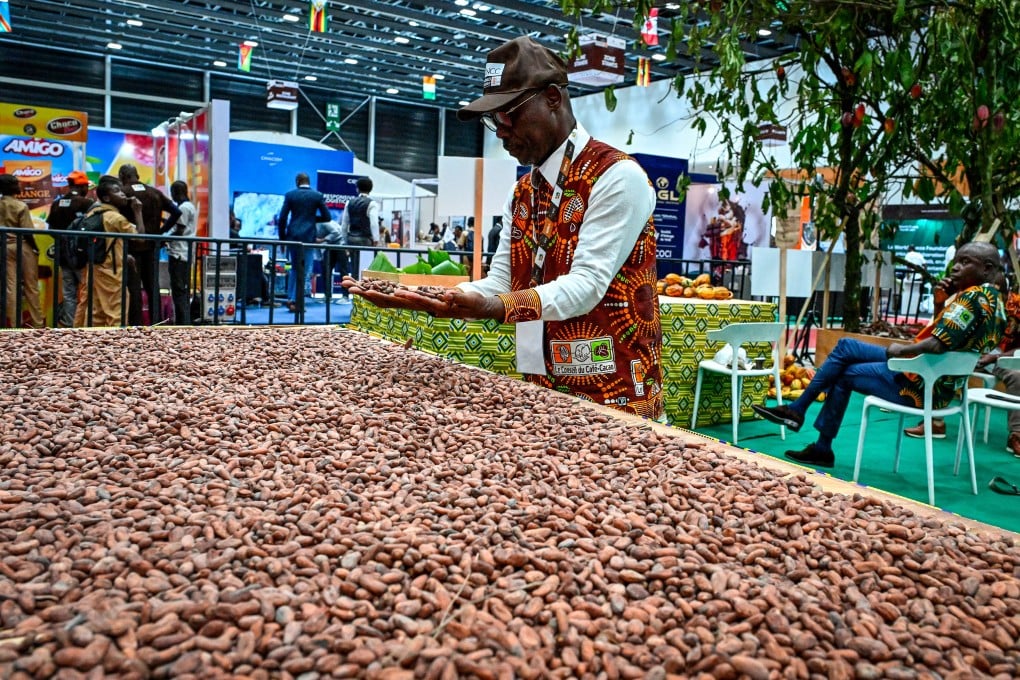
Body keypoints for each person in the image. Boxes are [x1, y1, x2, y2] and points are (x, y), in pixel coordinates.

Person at [344, 36, 664, 420]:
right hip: (540, 385)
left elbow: (587, 285)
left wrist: (495, 308)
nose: (500, 130)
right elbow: (502, 282)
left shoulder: (616, 176)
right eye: (493, 118)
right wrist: (429, 297)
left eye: (509, 113)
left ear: (552, 98)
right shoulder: (523, 192)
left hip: (615, 394)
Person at [753, 242, 1006, 467]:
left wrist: (901, 349)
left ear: (986, 268)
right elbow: (949, 340)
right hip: (936, 384)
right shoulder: (997, 305)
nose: (955, 267)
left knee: (844, 360)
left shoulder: (973, 298)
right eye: (956, 260)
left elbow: (937, 345)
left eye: (965, 262)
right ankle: (805, 423)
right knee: (845, 351)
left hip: (917, 384)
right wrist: (941, 303)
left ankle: (806, 423)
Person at [903, 281, 1020, 457]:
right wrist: (939, 304)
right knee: (948, 357)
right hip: (978, 353)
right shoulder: (971, 298)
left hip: (1006, 356)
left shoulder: (1013, 305)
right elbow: (943, 334)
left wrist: (995, 357)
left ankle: (1016, 435)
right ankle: (935, 422)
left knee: (1017, 375)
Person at [74, 175, 142, 328]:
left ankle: (92, 342)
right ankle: (116, 345)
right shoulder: (115, 218)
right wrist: (138, 211)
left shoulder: (92, 213)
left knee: (96, 310)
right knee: (116, 309)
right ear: (107, 198)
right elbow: (140, 237)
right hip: (111, 270)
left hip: (93, 268)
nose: (123, 194)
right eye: (117, 191)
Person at [118, 164, 181, 325]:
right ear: (137, 175)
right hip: (152, 246)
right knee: (153, 286)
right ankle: (156, 323)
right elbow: (176, 212)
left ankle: (135, 324)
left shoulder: (123, 194)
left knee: (133, 287)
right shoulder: (155, 193)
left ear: (123, 176)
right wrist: (160, 232)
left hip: (130, 247)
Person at [47, 170, 95, 327]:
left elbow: (51, 229)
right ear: (81, 187)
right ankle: (85, 325)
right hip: (82, 258)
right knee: (86, 292)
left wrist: (65, 245)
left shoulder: (56, 203)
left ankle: (70, 325)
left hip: (63, 257)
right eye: (86, 187)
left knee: (69, 293)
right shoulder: (87, 204)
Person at [278, 172, 330, 313]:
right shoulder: (317, 195)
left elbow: (282, 219)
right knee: (305, 270)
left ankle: (291, 298)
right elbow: (327, 217)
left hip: (292, 237)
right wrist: (311, 219)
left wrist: (282, 239)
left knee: (294, 269)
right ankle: (296, 301)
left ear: (297, 181)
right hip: (308, 238)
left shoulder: (290, 195)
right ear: (308, 181)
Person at [0, 173, 43, 328]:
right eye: (17, 184)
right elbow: (27, 232)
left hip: (4, 247)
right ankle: (37, 324)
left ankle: (15, 324)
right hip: (22, 246)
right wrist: (36, 249)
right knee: (31, 286)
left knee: (11, 286)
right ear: (12, 187)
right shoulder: (20, 206)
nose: (20, 186)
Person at [167, 180, 196, 325]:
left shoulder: (184, 208)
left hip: (179, 253)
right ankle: (183, 321)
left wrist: (163, 238)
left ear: (175, 192)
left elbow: (179, 230)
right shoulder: (190, 206)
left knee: (179, 291)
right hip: (184, 253)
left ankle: (182, 323)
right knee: (181, 290)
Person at [340, 176, 381, 280]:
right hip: (365, 240)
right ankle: (362, 292)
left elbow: (344, 225)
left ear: (357, 188)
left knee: (354, 267)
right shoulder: (372, 204)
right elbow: (374, 224)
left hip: (351, 239)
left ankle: (354, 291)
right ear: (371, 189)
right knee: (366, 268)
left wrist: (344, 242)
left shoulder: (349, 202)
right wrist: (376, 239)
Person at [316, 217, 347, 300]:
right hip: (330, 246)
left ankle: (345, 296)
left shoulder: (324, 222)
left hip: (340, 244)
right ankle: (327, 295)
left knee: (343, 271)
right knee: (326, 269)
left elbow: (336, 233)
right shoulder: (311, 225)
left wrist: (322, 240)